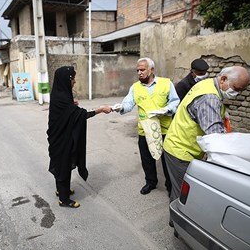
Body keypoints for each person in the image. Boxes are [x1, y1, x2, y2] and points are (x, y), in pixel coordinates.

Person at [163, 66, 250, 226]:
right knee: (183, 194)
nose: (237, 94)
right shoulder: (209, 98)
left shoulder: (206, 83)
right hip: (181, 150)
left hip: (178, 144)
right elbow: (215, 138)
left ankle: (176, 220)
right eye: (236, 89)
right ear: (223, 79)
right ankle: (178, 225)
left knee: (179, 189)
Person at [47, 66, 112, 208]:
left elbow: (66, 113)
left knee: (60, 164)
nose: (74, 81)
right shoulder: (63, 98)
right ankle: (64, 200)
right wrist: (100, 109)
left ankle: (61, 190)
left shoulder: (59, 94)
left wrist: (72, 105)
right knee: (63, 165)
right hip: (62, 140)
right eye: (72, 78)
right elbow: (81, 115)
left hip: (58, 138)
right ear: (65, 79)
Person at [113, 57, 180, 197]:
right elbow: (128, 103)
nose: (139, 73)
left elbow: (175, 101)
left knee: (166, 161)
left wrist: (166, 110)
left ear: (151, 70)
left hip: (165, 130)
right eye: (137, 70)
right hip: (145, 130)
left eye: (142, 69)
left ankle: (170, 185)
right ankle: (151, 182)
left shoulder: (166, 84)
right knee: (147, 159)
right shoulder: (135, 87)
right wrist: (120, 108)